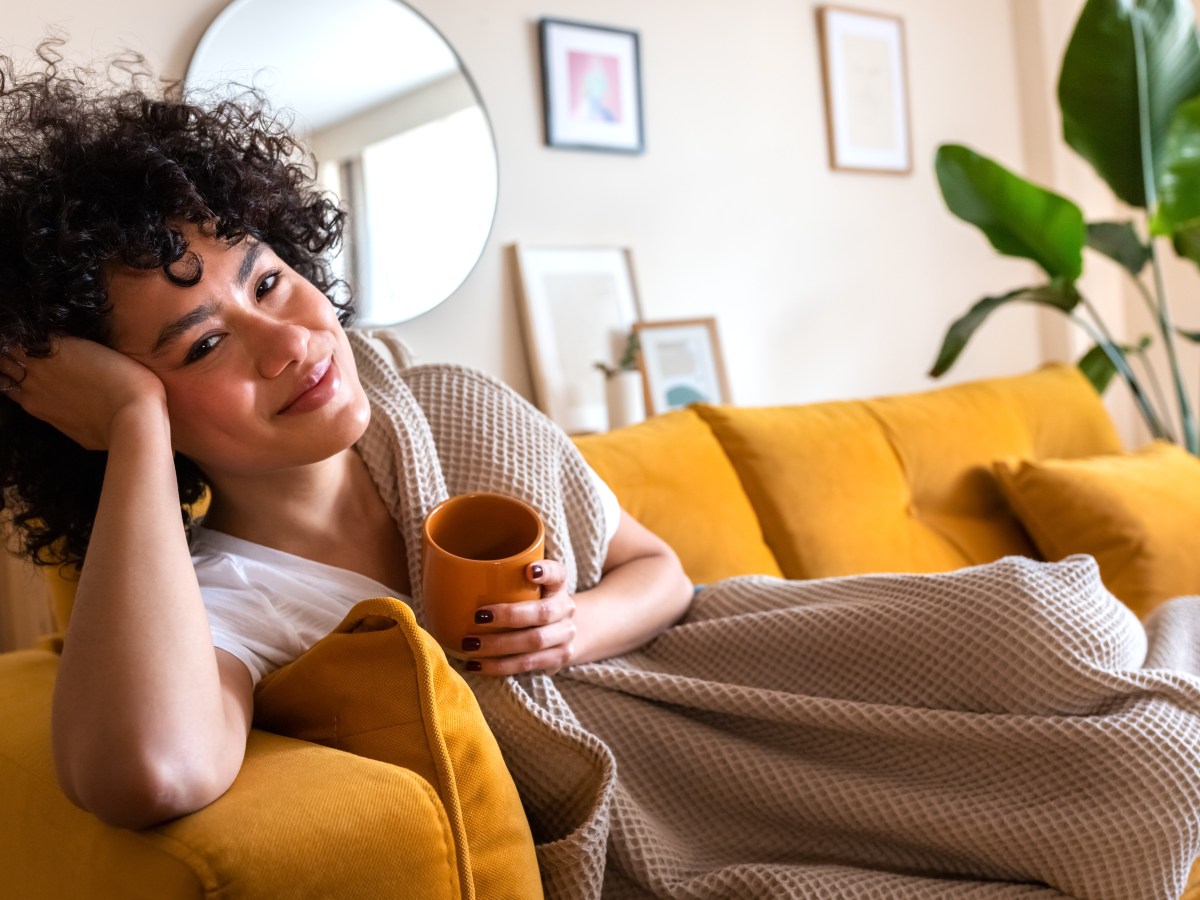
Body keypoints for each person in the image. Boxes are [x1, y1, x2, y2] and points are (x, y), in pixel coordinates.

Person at [5, 45, 1200, 900]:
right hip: (670, 786)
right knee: (1151, 774)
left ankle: (1171, 640)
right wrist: (133, 434)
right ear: (127, 409)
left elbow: (657, 569)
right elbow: (147, 770)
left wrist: (574, 625)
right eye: (200, 345)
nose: (287, 340)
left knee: (1044, 620)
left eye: (267, 279)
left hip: (715, 656)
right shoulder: (228, 600)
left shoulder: (448, 407)